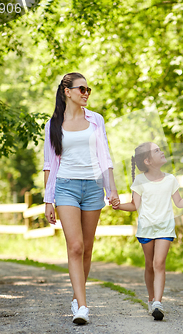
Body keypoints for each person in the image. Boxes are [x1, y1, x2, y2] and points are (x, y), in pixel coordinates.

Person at [43, 72, 119, 325]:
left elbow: (105, 157)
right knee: (75, 246)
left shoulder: (96, 120)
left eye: (88, 90)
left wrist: (112, 190)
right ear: (67, 91)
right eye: (82, 89)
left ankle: (77, 297)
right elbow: (48, 164)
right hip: (66, 187)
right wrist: (48, 199)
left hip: (93, 187)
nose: (86, 93)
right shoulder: (53, 124)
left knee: (86, 248)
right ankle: (83, 306)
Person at [113, 142, 183, 321]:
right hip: (146, 229)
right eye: (157, 150)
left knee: (159, 264)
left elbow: (179, 203)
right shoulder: (139, 181)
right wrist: (119, 207)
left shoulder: (171, 179)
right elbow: (135, 205)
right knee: (149, 265)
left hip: (165, 228)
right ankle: (150, 299)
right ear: (148, 161)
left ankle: (158, 302)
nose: (162, 151)